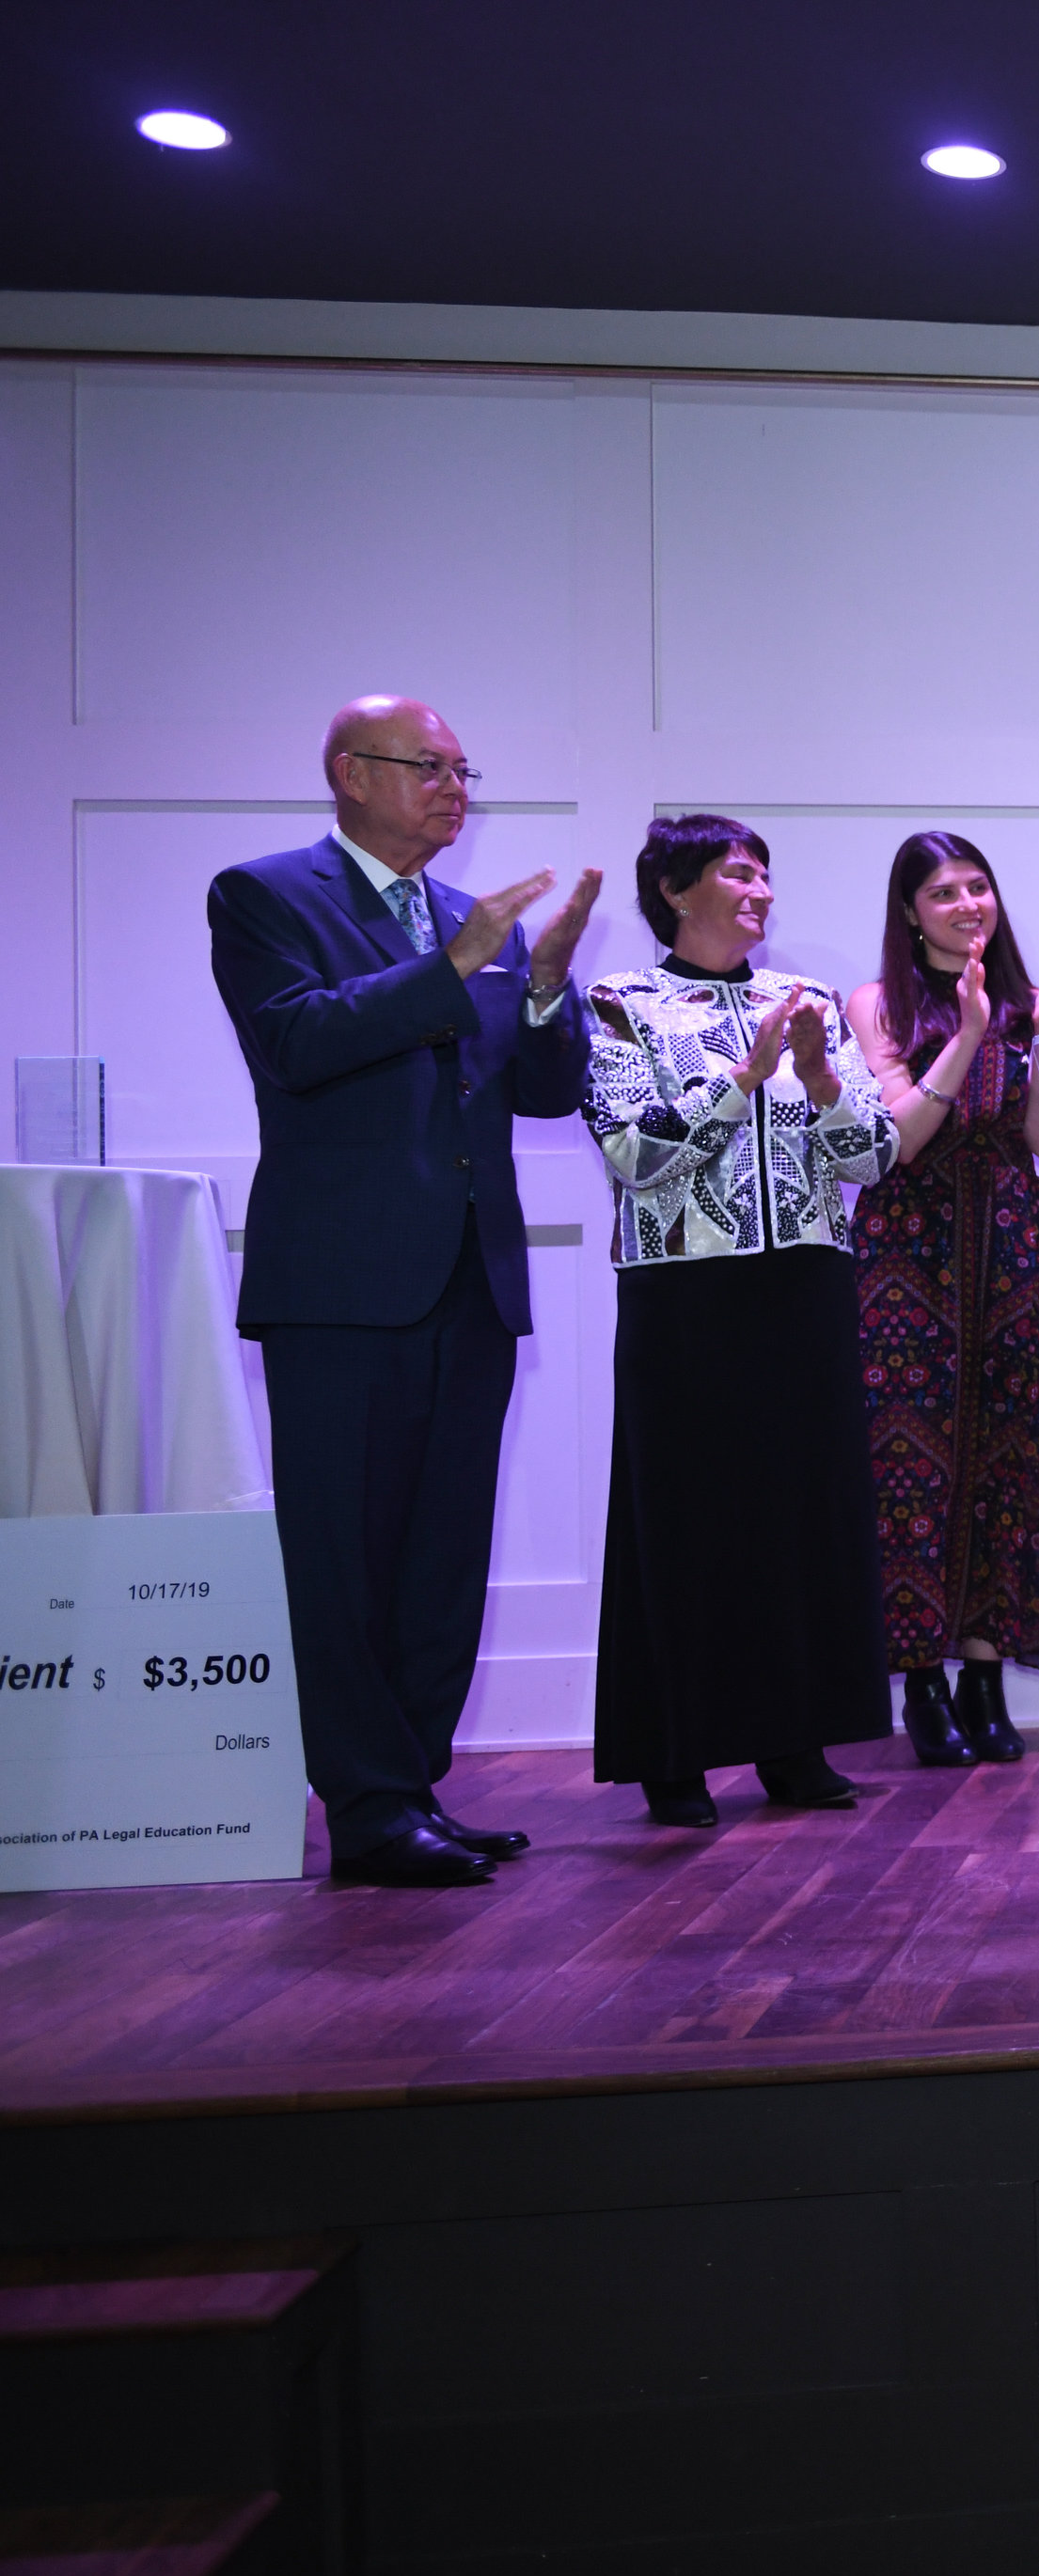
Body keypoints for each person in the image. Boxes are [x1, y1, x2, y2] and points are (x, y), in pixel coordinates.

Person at [208, 696, 600, 1888]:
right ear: (347, 773)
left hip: (469, 1280)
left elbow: (539, 1092)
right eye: (426, 766)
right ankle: (368, 1803)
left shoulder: (460, 920)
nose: (452, 786)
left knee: (440, 1552)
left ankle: (412, 1788)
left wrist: (539, 986)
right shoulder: (265, 896)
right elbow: (297, 1042)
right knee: (344, 1555)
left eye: (460, 768)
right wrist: (463, 962)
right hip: (339, 1286)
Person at [579, 817, 901, 1829]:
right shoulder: (621, 1003)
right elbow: (634, 1155)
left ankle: (791, 1739)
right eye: (736, 872)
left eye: (766, 873)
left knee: (797, 1516)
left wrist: (813, 1077)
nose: (759, 890)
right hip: (686, 1290)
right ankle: (671, 1750)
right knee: (683, 1517)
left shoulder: (803, 1005)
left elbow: (874, 1156)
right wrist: (742, 1078)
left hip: (803, 1282)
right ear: (676, 890)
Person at [847, 832, 1039, 1773]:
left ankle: (987, 1680)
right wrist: (972, 1034)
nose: (965, 905)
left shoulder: (1024, 1004)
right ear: (910, 910)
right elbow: (903, 1140)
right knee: (911, 1467)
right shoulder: (877, 1002)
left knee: (1010, 1460)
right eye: (942, 892)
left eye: (977, 887)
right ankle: (924, 1687)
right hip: (909, 1254)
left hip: (1012, 1246)